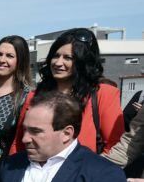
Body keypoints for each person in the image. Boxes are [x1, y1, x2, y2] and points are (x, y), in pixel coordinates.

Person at [9, 28, 123, 156]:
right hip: (37, 172)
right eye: (56, 56)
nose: (58, 63)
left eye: (68, 58)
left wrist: (94, 172)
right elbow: (18, 143)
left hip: (82, 172)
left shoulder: (103, 94)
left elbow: (115, 144)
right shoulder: (34, 96)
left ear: (82, 61)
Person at [0, 35, 32, 180]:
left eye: (9, 56)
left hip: (8, 175)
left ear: (20, 61)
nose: (2, 60)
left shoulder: (27, 97)